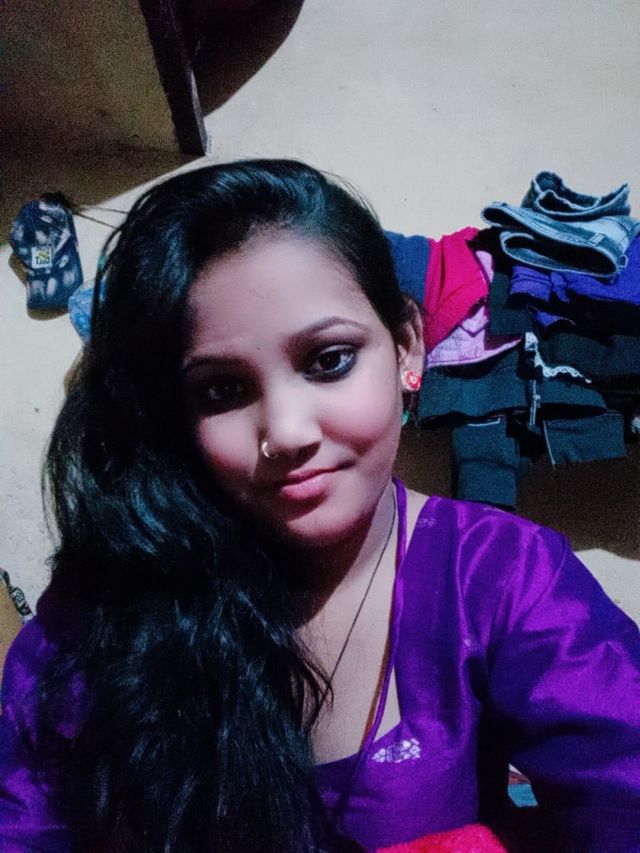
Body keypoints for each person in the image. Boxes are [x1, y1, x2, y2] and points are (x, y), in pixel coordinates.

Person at [0, 160, 639, 853]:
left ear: (406, 346)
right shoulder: (111, 596)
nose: (287, 432)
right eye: (221, 390)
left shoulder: (500, 576)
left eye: (329, 360)